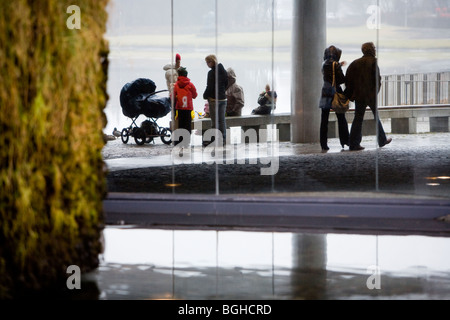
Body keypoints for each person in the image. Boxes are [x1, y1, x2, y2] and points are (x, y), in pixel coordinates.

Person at [345, 42, 392, 151]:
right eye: (374, 48)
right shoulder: (373, 62)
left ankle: (354, 143)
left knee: (358, 118)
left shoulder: (355, 63)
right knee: (376, 117)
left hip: (359, 95)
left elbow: (348, 79)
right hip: (370, 95)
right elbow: (377, 80)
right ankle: (382, 140)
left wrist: (353, 93)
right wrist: (374, 92)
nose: (375, 49)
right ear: (371, 50)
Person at [319, 45, 350, 151]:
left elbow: (329, 74)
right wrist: (340, 67)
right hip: (335, 91)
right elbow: (341, 79)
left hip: (325, 91)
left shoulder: (324, 64)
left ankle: (323, 144)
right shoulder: (335, 64)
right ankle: (345, 140)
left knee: (324, 119)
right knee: (341, 117)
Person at [203, 54, 228, 146]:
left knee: (214, 121)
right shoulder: (223, 71)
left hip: (214, 99)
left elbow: (209, 87)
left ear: (212, 62)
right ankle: (223, 140)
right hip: (223, 99)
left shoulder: (211, 73)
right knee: (222, 121)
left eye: (207, 62)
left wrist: (205, 95)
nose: (207, 64)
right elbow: (226, 83)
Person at [173, 67, 198, 146]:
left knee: (180, 124)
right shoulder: (190, 84)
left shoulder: (176, 85)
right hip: (188, 108)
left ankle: (180, 140)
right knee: (187, 124)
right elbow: (195, 95)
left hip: (180, 108)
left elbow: (173, 96)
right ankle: (187, 140)